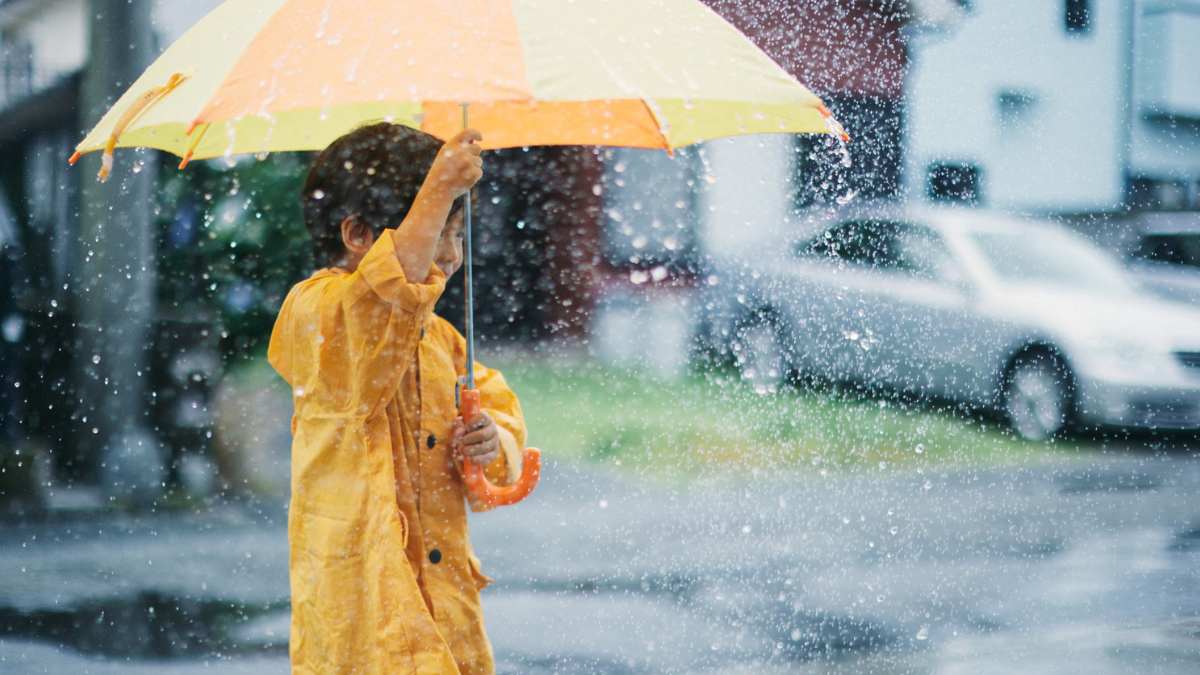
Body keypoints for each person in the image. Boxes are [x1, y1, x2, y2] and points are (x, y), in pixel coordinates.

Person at [268, 123, 527, 675]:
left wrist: (492, 442)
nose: (452, 256)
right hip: (362, 603)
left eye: (459, 235)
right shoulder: (316, 310)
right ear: (357, 234)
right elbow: (378, 303)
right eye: (439, 233)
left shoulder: (440, 338)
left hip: (443, 601)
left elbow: (499, 412)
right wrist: (438, 186)